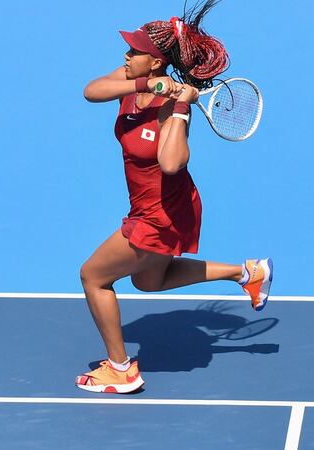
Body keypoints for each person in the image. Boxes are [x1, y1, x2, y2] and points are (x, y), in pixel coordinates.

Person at [74, 0, 273, 394]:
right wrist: (144, 85)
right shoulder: (134, 78)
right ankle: (248, 273)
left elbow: (171, 163)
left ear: (155, 62)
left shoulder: (171, 107)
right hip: (151, 206)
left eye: (134, 51)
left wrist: (180, 107)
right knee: (149, 282)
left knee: (93, 277)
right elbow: (91, 91)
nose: (126, 56)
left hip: (162, 213)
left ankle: (121, 370)